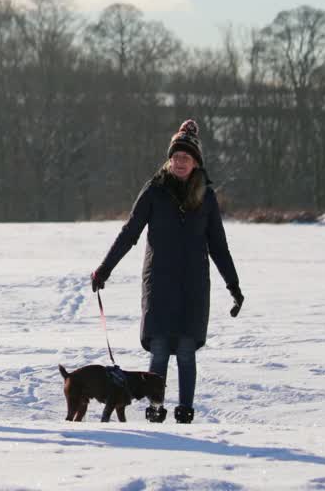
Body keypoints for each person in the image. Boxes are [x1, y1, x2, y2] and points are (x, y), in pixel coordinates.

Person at [91, 119, 244, 424]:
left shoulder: (207, 198)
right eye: (175, 157)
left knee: (187, 351)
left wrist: (233, 287)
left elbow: (219, 247)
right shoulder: (154, 191)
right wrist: (104, 269)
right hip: (159, 284)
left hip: (193, 287)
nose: (179, 163)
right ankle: (155, 407)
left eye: (185, 158)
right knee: (159, 348)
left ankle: (185, 410)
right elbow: (129, 233)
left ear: (196, 161)